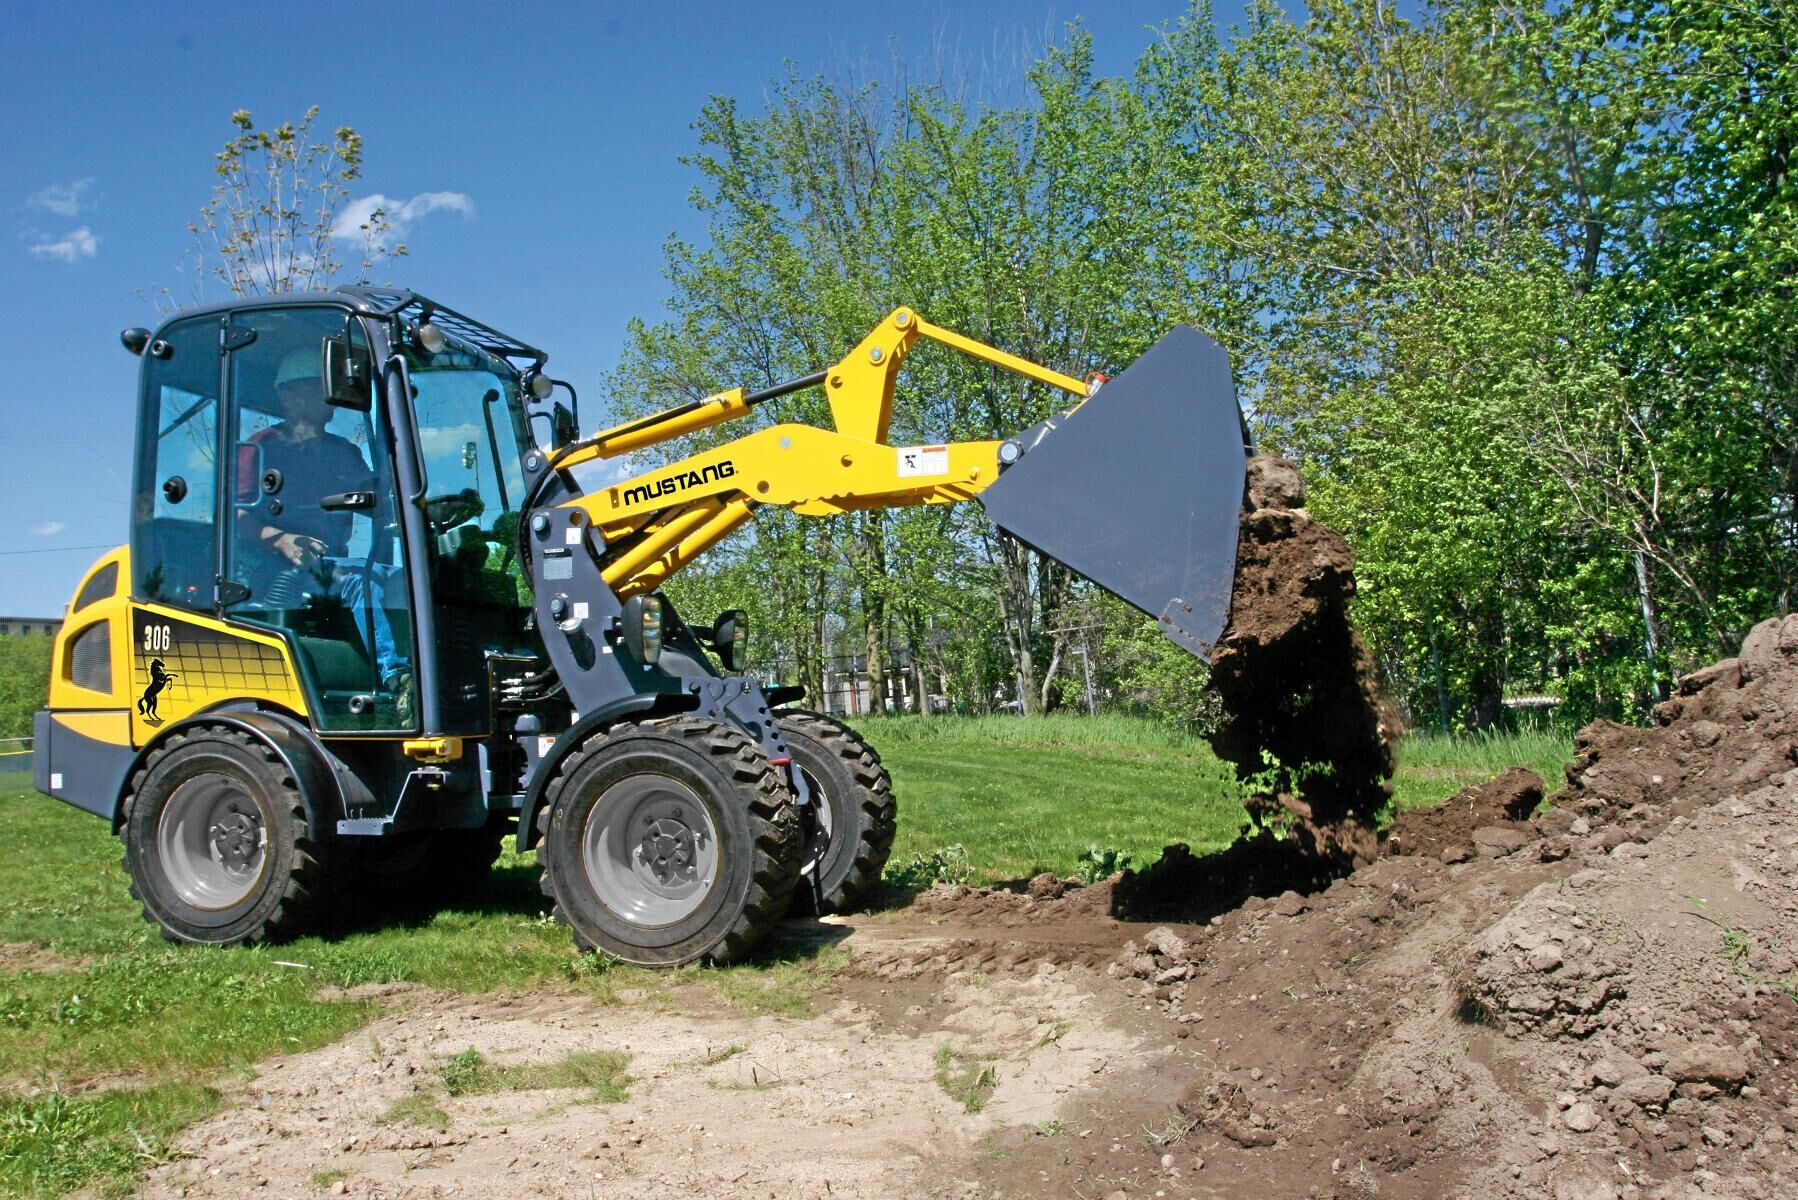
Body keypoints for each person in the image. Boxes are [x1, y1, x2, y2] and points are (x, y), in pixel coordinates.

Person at [238, 348, 412, 719]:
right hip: (275, 568)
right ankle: (399, 680)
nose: (331, 394)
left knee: (400, 579)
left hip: (330, 561)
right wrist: (281, 539)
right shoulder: (261, 447)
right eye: (318, 387)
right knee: (359, 581)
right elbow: (237, 517)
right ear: (288, 396)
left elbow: (378, 501)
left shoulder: (343, 451)